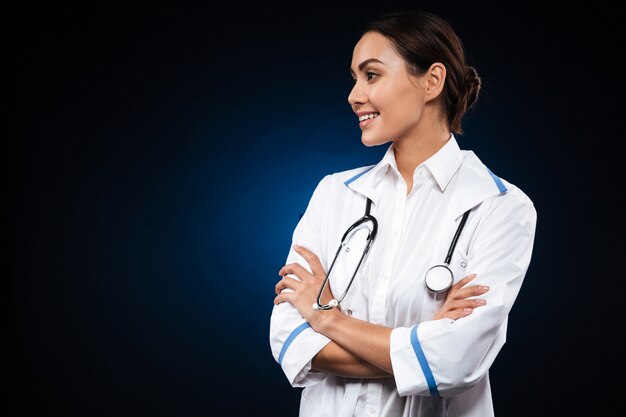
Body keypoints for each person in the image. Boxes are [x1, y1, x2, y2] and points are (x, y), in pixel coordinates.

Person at [269, 10, 537, 417]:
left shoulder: (500, 207)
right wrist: (421, 343)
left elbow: (458, 362)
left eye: (371, 75)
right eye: (354, 78)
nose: (354, 95)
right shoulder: (334, 195)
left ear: (432, 81)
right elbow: (288, 336)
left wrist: (328, 319)